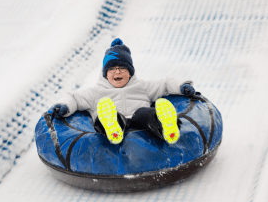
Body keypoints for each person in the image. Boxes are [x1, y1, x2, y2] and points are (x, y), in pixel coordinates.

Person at [50, 38, 196, 145]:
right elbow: (74, 98)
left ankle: (166, 125)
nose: (117, 72)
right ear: (105, 74)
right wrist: (64, 106)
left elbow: (165, 84)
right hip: (116, 119)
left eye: (122, 68)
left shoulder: (141, 86)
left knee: (146, 113)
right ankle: (112, 126)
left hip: (139, 119)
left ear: (130, 72)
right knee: (105, 116)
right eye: (112, 69)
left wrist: (182, 86)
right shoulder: (96, 92)